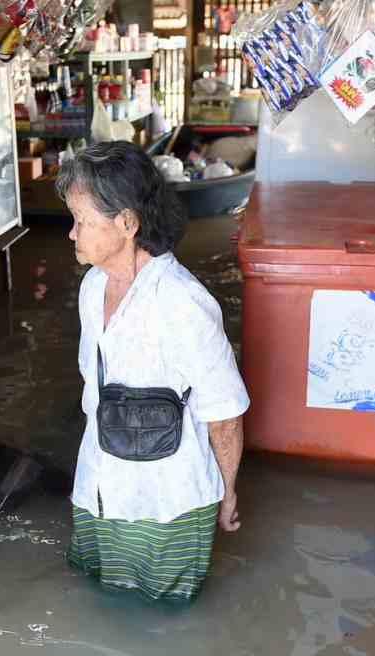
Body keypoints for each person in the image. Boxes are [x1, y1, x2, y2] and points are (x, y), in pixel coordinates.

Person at [57, 141, 249, 603]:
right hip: (99, 487)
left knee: (160, 613)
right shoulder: (93, 286)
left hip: (167, 506)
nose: (71, 233)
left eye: (82, 221)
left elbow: (224, 415)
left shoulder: (182, 302)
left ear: (127, 223)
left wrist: (227, 492)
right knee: (103, 600)